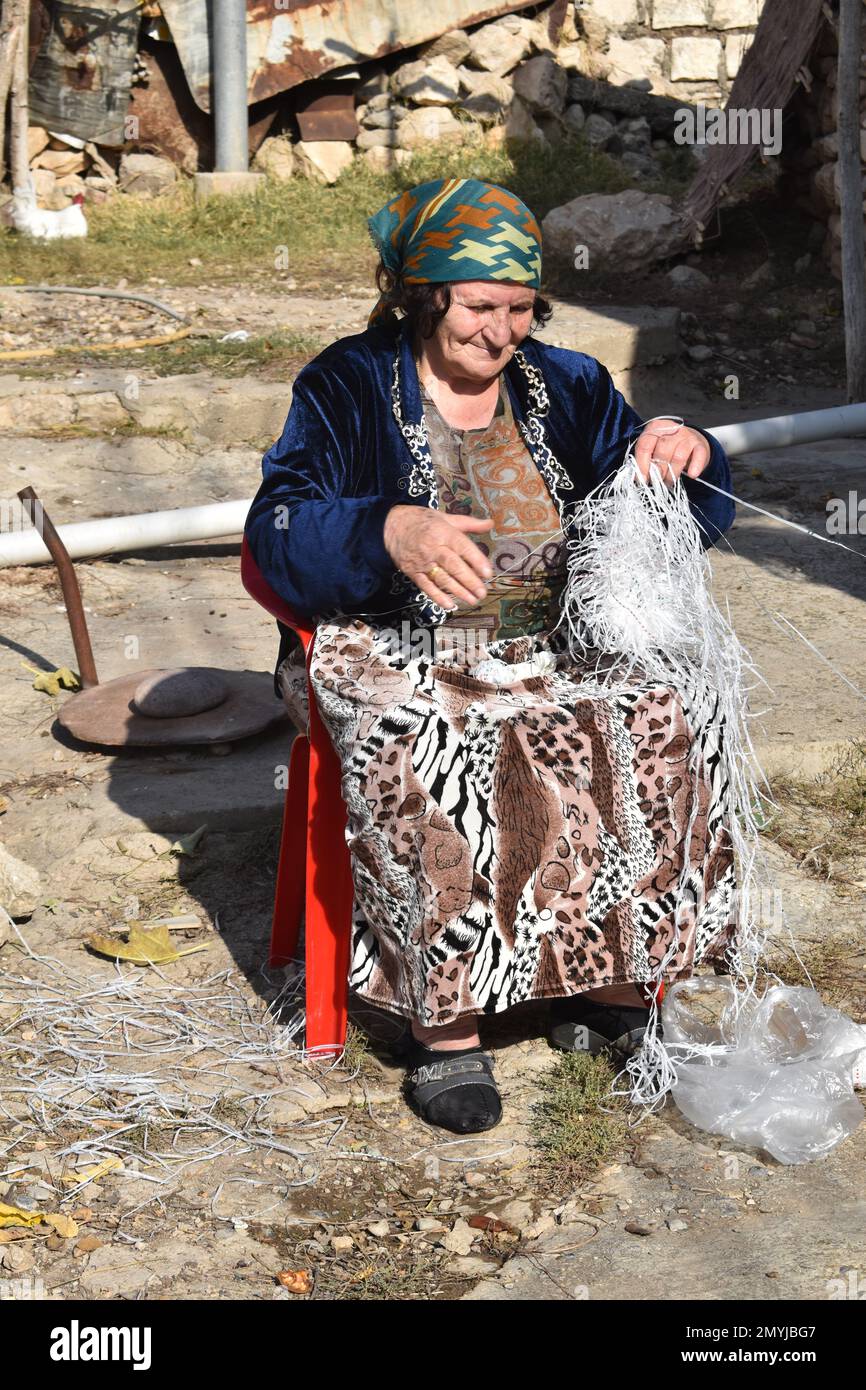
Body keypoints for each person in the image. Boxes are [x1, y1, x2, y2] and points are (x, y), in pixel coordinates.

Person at [245, 177, 736, 1135]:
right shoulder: (347, 385)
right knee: (426, 736)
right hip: (381, 641)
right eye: (477, 307)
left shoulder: (569, 384)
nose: (499, 331)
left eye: (518, 310)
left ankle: (616, 989)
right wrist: (385, 531)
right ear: (425, 297)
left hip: (541, 640)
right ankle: (449, 1030)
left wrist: (690, 453)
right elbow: (278, 528)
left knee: (655, 711)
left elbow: (665, 509)